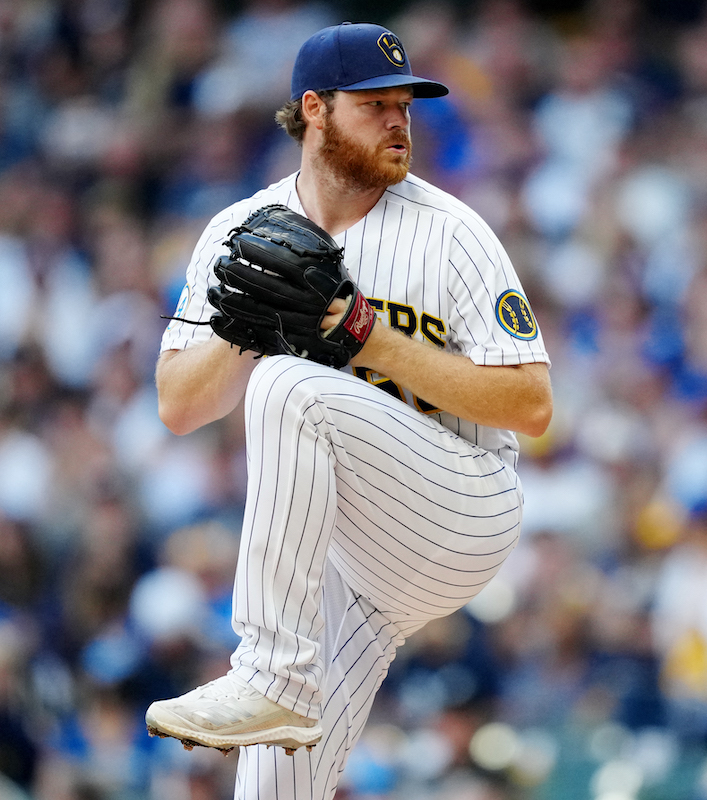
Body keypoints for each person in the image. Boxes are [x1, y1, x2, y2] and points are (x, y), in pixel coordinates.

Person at [144, 21, 553, 800]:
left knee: (288, 387)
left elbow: (531, 404)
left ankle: (271, 672)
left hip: (462, 503)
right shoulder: (239, 232)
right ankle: (279, 687)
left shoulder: (452, 233)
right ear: (316, 110)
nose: (399, 121)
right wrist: (243, 327)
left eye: (406, 105)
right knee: (270, 790)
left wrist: (369, 336)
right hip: (351, 561)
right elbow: (178, 404)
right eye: (375, 105)